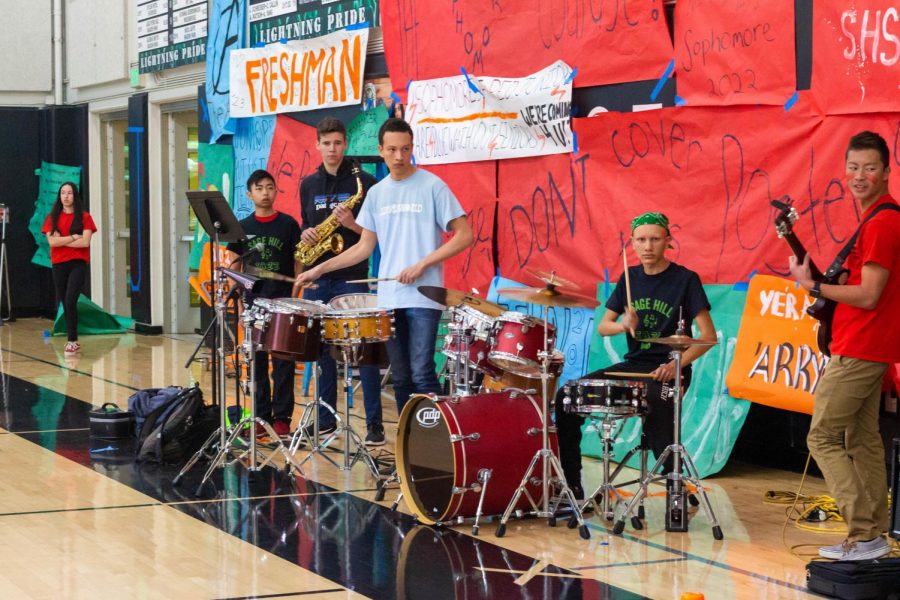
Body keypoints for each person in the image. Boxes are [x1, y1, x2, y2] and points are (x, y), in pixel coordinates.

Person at [296, 117, 473, 421]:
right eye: (392, 150)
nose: (399, 157)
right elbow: (363, 248)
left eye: (405, 149)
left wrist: (423, 264)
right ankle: (408, 447)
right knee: (401, 377)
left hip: (423, 296)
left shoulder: (432, 185)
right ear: (380, 150)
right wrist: (318, 269)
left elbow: (465, 235)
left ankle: (438, 446)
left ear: (412, 147)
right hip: (390, 298)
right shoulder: (377, 193)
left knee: (422, 372)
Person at [789, 131, 900, 561]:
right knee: (863, 438)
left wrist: (813, 285)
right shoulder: (878, 220)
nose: (859, 176)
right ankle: (873, 535)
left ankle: (862, 532)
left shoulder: (883, 223)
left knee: (823, 437)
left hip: (860, 347)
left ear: (887, 172)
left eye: (869, 168)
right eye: (852, 167)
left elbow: (870, 294)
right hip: (866, 346)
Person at [555, 212, 716, 502]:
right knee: (567, 395)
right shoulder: (628, 278)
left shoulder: (685, 280)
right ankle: (572, 485)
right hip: (634, 366)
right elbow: (605, 327)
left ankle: (675, 489)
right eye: (641, 240)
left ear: (668, 241)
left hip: (672, 367)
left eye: (655, 239)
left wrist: (674, 365)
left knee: (657, 405)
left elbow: (708, 337)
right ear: (632, 243)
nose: (647, 246)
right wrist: (624, 325)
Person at [296, 117, 385, 446]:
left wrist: (352, 224)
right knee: (322, 351)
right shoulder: (308, 184)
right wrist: (306, 233)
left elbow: (377, 236)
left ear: (345, 143)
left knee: (364, 351)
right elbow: (308, 226)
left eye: (337, 143)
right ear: (317, 145)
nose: (332, 149)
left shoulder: (366, 182)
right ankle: (325, 419)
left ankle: (374, 422)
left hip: (352, 277)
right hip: (318, 277)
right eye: (326, 143)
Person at [228, 169, 302, 438]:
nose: (265, 192)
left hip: (283, 303)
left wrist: (297, 288)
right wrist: (237, 303)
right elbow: (234, 265)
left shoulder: (288, 224)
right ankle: (260, 417)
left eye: (270, 187)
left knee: (283, 363)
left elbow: (299, 258)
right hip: (254, 304)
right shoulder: (242, 228)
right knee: (256, 363)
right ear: (249, 194)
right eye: (259, 188)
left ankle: (282, 418)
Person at [42, 182, 96, 355]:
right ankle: (73, 339)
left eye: (70, 193)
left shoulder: (85, 217)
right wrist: (73, 237)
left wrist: (62, 240)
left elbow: (85, 242)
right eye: (63, 193)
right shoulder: (52, 218)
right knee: (65, 302)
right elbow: (52, 242)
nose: (66, 196)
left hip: (78, 263)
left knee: (71, 298)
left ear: (75, 196)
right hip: (58, 264)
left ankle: (72, 340)